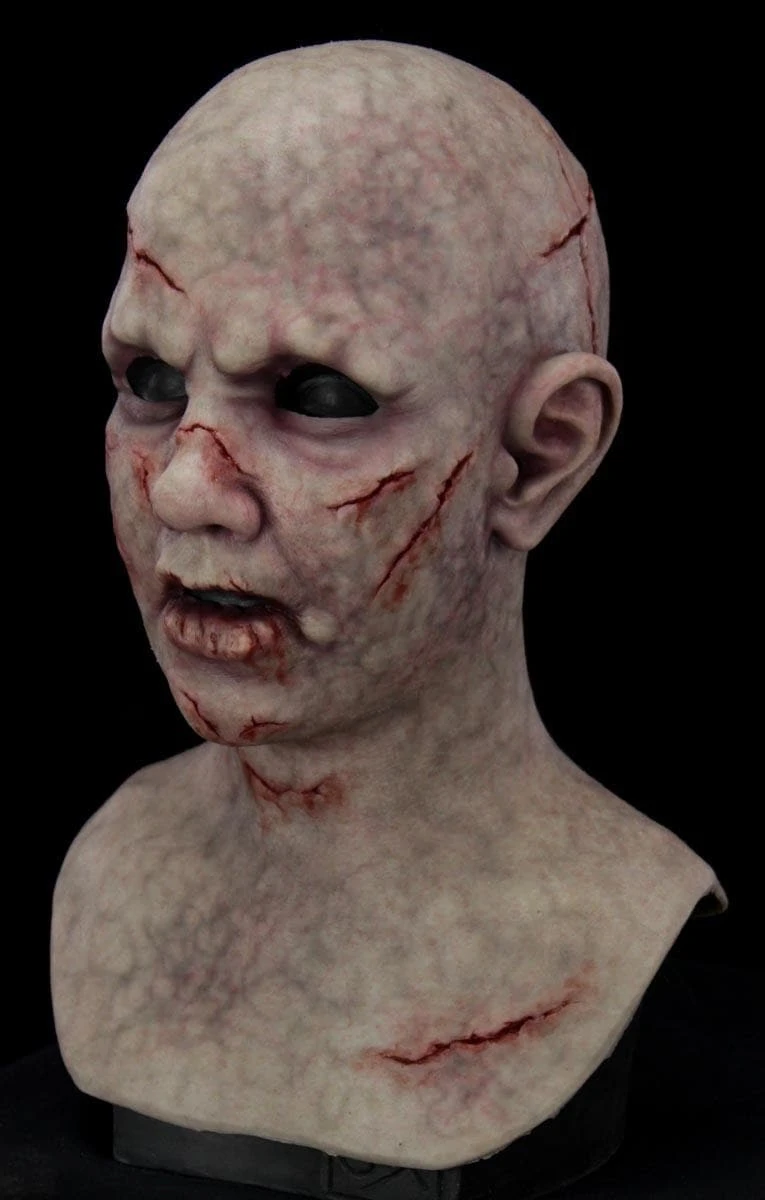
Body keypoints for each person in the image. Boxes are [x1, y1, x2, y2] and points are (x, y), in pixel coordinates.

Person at [52, 39, 725, 1172]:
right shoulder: (113, 870)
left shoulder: (595, 923)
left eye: (319, 394)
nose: (181, 488)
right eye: (151, 382)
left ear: (540, 458)